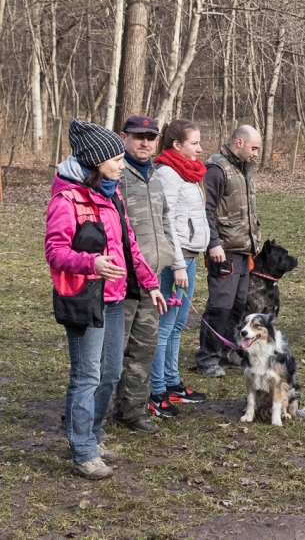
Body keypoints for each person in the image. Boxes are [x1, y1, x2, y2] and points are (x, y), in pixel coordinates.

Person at [45, 119, 166, 479]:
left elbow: (130, 245)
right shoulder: (67, 199)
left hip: (115, 299)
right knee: (87, 375)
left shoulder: (112, 196)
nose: (120, 163)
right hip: (85, 299)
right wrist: (92, 263)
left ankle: (94, 437)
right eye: (114, 158)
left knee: (110, 373)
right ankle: (82, 451)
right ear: (96, 162)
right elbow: (54, 252)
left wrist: (150, 284)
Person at [113, 115, 176, 434]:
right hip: (120, 281)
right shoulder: (114, 173)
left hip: (153, 279)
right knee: (111, 352)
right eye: (139, 136)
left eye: (151, 137)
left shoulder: (154, 176)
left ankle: (132, 409)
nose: (145, 143)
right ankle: (92, 410)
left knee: (144, 346)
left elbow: (165, 219)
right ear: (124, 137)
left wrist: (170, 256)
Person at [150, 119, 210, 415]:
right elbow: (168, 222)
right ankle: (156, 388)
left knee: (177, 325)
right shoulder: (167, 174)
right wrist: (176, 265)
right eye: (194, 143)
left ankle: (172, 382)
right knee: (164, 326)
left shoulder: (191, 173)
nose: (200, 148)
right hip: (175, 263)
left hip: (190, 258)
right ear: (176, 145)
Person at [195, 125, 262, 377]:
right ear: (239, 143)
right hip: (224, 251)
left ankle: (227, 350)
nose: (256, 153)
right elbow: (206, 209)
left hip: (243, 249)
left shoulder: (244, 169)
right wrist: (213, 243)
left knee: (237, 306)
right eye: (253, 148)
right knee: (219, 306)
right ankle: (207, 357)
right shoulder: (216, 168)